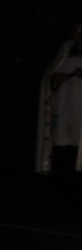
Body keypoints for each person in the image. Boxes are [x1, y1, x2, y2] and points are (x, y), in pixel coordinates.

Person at [36, 22, 82, 174]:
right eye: (76, 30)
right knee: (62, 144)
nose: (79, 34)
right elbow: (50, 74)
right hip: (63, 105)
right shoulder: (66, 49)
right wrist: (55, 78)